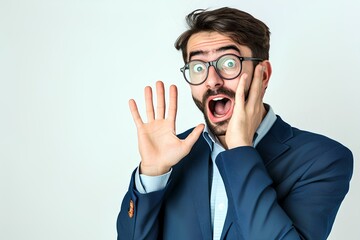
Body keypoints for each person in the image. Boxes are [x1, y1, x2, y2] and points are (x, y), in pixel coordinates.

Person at [116, 7, 353, 240]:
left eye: (229, 63)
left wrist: (241, 150)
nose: (212, 81)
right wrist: (152, 175)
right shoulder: (173, 155)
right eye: (198, 67)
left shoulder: (324, 159)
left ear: (263, 74)